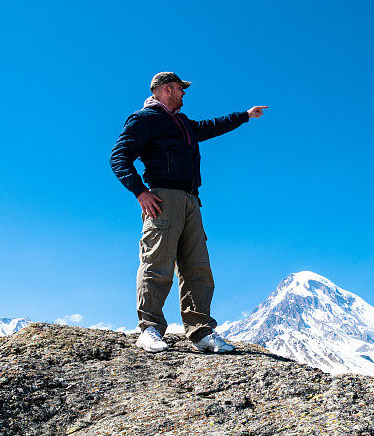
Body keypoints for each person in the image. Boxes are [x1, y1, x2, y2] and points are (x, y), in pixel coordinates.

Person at [110, 71, 266, 353]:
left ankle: (201, 332)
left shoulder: (182, 122)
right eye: (181, 89)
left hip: (192, 200)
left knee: (197, 267)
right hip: (162, 198)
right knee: (158, 263)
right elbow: (119, 156)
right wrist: (140, 192)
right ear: (167, 89)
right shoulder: (144, 119)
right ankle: (150, 329)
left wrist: (245, 115)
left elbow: (212, 126)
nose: (184, 94)